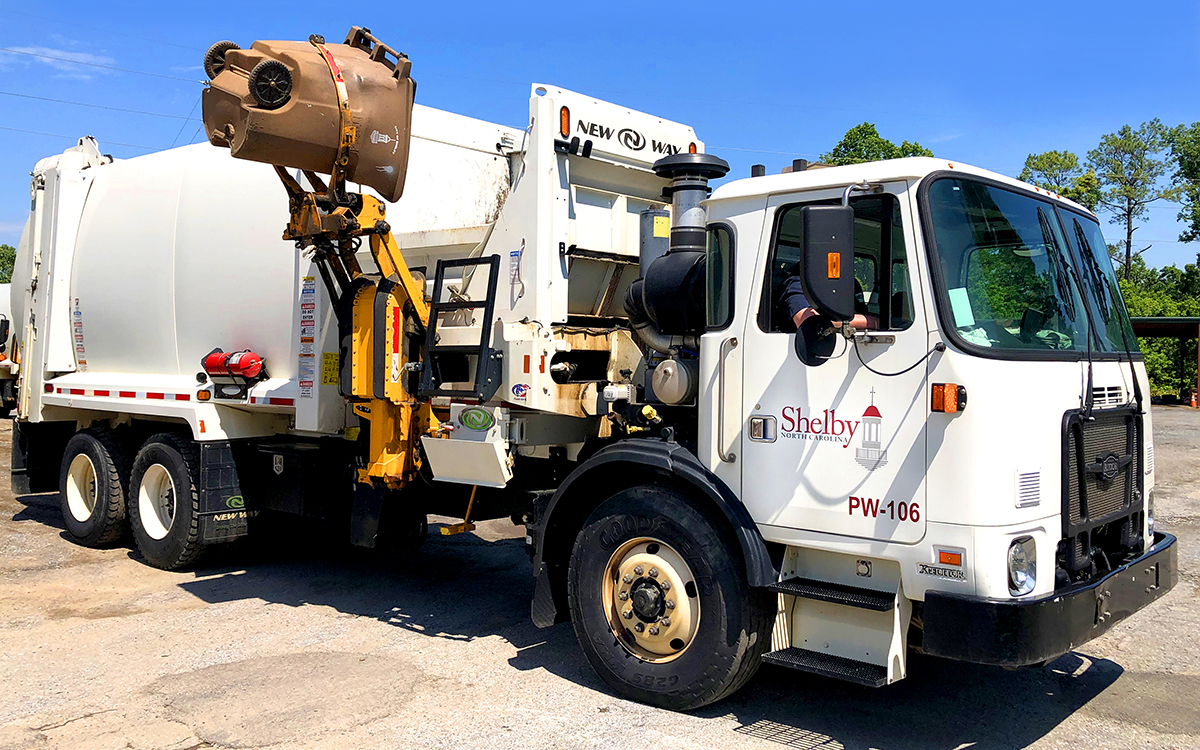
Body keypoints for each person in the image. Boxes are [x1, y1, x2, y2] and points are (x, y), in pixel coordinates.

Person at [781, 275, 878, 330]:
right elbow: (809, 321)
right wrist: (872, 322)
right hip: (812, 353)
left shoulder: (849, 285)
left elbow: (861, 311)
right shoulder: (799, 284)